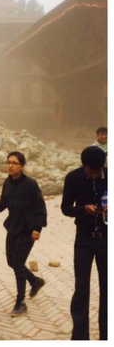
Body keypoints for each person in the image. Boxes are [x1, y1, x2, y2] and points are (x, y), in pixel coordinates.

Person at [0, 151, 47, 317]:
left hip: (28, 230)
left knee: (18, 263)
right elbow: (3, 203)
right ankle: (35, 281)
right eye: (8, 162)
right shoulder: (8, 182)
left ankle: (20, 302)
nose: (10, 165)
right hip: (13, 228)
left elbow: (41, 208)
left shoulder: (31, 184)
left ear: (22, 166)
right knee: (11, 262)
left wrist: (38, 228)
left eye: (14, 163)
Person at [61, 146, 107, 340]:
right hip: (84, 239)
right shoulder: (73, 178)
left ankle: (107, 335)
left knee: (108, 287)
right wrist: (82, 209)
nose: (95, 176)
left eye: (98, 173)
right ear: (84, 166)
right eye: (90, 173)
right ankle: (80, 338)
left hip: (107, 239)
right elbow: (65, 208)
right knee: (81, 289)